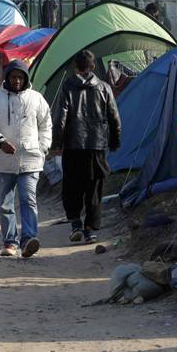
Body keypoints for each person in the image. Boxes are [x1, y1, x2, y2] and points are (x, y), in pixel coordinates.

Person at [0, 60, 52, 257]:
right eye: (13, 77)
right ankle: (10, 242)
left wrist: (43, 147)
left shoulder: (37, 99)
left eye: (20, 77)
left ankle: (29, 239)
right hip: (4, 162)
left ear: (26, 78)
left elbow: (46, 125)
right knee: (5, 204)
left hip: (31, 159)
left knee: (28, 199)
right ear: (7, 78)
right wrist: (0, 141)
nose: (17, 81)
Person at [51, 50, 121, 244]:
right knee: (94, 188)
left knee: (72, 186)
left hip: (73, 146)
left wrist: (57, 144)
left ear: (76, 67)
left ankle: (75, 222)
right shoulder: (104, 88)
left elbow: (60, 119)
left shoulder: (67, 86)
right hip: (96, 146)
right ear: (92, 67)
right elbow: (114, 117)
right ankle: (91, 230)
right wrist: (114, 141)